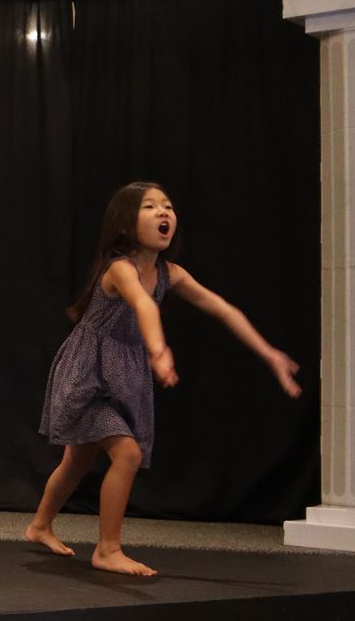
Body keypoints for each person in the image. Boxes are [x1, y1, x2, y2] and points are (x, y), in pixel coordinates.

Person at [26, 181, 301, 576]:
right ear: (124, 224)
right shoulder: (120, 268)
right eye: (150, 207)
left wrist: (268, 353)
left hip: (122, 371)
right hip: (88, 372)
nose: (163, 213)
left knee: (77, 460)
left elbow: (223, 309)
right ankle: (108, 549)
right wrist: (157, 349)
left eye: (167, 206)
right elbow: (142, 306)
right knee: (127, 453)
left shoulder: (171, 274)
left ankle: (39, 526)